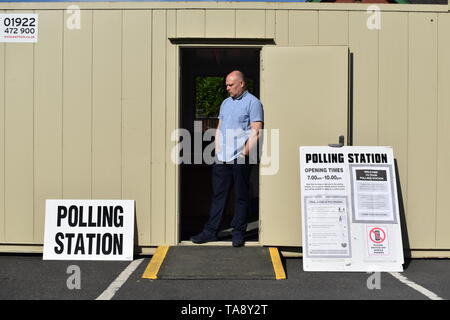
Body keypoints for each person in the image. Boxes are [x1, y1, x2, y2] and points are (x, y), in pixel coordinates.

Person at [191, 70, 264, 247]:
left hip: (240, 158)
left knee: (240, 197)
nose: (227, 88)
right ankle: (210, 232)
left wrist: (244, 153)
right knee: (218, 196)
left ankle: (238, 233)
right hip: (222, 159)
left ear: (241, 83)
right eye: (226, 85)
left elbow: (256, 129)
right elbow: (220, 126)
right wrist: (217, 148)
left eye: (230, 85)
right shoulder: (225, 103)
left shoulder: (253, 103)